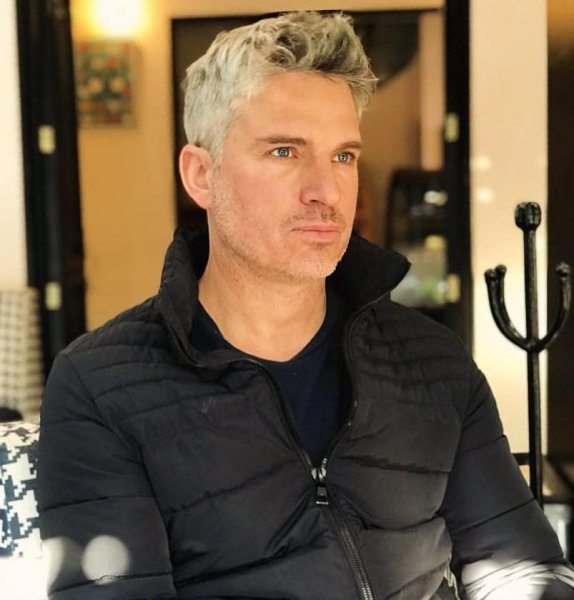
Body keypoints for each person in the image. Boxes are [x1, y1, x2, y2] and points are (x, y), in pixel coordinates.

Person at [37, 11, 574, 600]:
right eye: (285, 151)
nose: (326, 190)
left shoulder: (431, 360)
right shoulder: (101, 387)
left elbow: (519, 567)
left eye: (343, 156)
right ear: (201, 174)